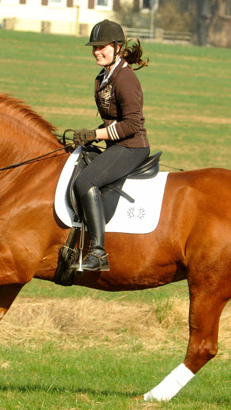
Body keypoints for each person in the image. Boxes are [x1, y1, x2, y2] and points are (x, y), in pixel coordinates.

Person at [71, 19, 150, 272]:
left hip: (131, 147)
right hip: (116, 146)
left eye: (102, 47)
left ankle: (98, 252)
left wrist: (95, 134)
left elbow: (132, 125)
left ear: (117, 47)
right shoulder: (103, 76)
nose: (97, 51)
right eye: (94, 47)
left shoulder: (124, 78)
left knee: (85, 182)